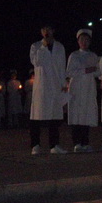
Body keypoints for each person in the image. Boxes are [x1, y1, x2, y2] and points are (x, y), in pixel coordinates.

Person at [29, 25, 68, 154]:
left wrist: (63, 83)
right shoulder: (35, 46)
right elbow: (36, 61)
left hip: (55, 85)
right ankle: (35, 145)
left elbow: (62, 66)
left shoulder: (60, 47)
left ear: (53, 31)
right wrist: (44, 47)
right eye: (44, 29)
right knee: (37, 116)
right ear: (41, 32)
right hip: (42, 86)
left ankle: (54, 145)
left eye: (49, 29)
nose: (46, 32)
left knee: (55, 116)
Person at [66, 29, 99, 153]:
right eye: (82, 40)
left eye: (86, 40)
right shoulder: (74, 55)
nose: (84, 42)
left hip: (89, 88)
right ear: (78, 41)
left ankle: (85, 142)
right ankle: (77, 142)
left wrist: (94, 71)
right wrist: (86, 70)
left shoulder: (93, 56)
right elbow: (69, 72)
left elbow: (98, 71)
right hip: (77, 88)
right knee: (77, 114)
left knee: (87, 113)